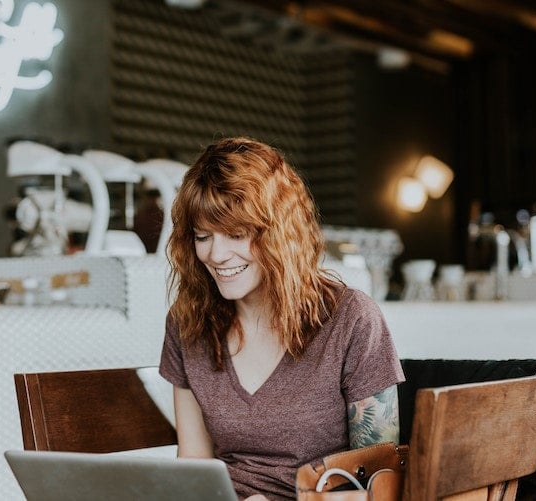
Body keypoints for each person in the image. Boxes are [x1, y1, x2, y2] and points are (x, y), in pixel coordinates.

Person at [158, 137, 405, 501]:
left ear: (279, 233)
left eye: (237, 234)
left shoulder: (351, 319)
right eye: (202, 236)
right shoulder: (188, 323)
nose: (216, 254)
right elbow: (194, 465)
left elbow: (382, 486)